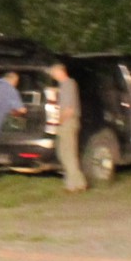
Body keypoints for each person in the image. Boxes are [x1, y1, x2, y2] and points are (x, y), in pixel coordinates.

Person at [48, 61, 86, 192]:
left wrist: (59, 122)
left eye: (53, 73)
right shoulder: (65, 85)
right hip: (65, 122)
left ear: (60, 71)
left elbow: (69, 109)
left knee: (67, 153)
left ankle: (74, 185)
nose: (53, 76)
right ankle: (78, 183)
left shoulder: (68, 85)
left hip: (67, 122)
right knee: (64, 153)